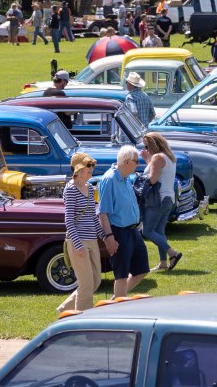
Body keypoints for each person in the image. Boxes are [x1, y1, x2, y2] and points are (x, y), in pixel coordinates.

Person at [96, 145, 149, 297]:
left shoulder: (126, 178)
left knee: (142, 270)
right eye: (136, 161)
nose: (138, 164)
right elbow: (103, 213)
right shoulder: (110, 179)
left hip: (133, 230)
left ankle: (116, 299)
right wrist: (109, 237)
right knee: (121, 275)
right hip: (118, 232)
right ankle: (118, 304)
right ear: (126, 162)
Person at [59, 153, 104, 313]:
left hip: (91, 239)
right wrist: (78, 246)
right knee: (86, 283)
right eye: (88, 168)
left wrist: (105, 237)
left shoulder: (90, 189)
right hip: (77, 241)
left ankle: (65, 309)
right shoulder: (70, 189)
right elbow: (69, 221)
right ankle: (82, 319)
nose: (91, 170)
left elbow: (92, 215)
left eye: (92, 167)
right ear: (78, 170)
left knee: (96, 280)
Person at [140, 132, 183, 272]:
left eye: (146, 145)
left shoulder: (157, 158)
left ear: (152, 144)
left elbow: (153, 179)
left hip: (158, 199)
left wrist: (140, 179)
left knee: (147, 231)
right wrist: (148, 160)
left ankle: (173, 253)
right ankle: (163, 263)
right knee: (159, 230)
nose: (145, 148)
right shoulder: (169, 157)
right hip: (168, 198)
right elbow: (159, 172)